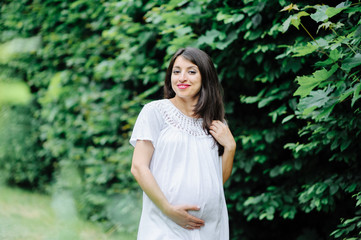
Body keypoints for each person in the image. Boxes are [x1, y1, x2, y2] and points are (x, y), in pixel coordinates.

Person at [130, 47, 236, 240]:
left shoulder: (216, 123)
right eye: (176, 71)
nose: (182, 78)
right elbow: (138, 167)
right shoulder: (155, 112)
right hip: (165, 222)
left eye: (191, 71)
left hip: (209, 228)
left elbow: (216, 181)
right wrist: (167, 209)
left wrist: (230, 147)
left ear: (206, 77)